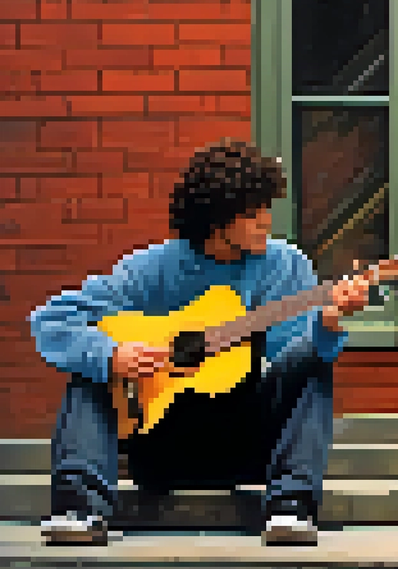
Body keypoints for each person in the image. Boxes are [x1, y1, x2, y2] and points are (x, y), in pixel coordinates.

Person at [29, 139, 371, 547]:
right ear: (215, 218)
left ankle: (291, 507)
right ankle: (79, 510)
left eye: (267, 208)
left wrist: (327, 325)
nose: (265, 221)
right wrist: (112, 355)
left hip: (248, 439)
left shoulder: (285, 265)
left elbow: (291, 361)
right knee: (90, 366)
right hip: (161, 444)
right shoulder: (151, 269)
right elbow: (51, 320)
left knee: (314, 364)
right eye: (252, 213)